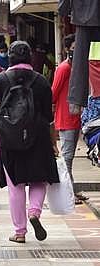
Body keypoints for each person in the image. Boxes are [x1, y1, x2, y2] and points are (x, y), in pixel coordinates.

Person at [0, 41, 59, 243]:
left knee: (15, 185)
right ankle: (34, 212)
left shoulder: (2, 78)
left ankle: (20, 232)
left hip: (10, 136)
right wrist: (53, 142)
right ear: (29, 57)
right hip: (38, 136)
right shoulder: (41, 81)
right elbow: (49, 116)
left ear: (10, 57)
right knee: (39, 178)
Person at [52, 34, 87, 205]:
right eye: (73, 48)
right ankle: (69, 194)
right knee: (67, 159)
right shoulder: (64, 68)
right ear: (67, 50)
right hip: (66, 118)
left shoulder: (76, 67)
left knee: (69, 158)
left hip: (75, 118)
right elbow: (53, 93)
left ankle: (71, 192)